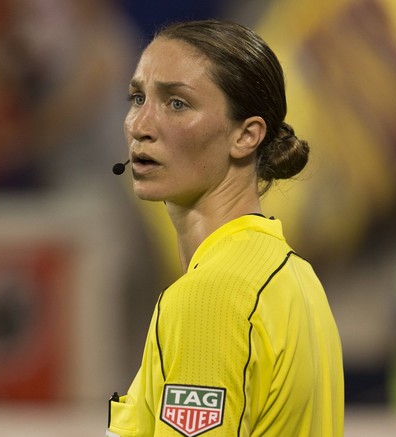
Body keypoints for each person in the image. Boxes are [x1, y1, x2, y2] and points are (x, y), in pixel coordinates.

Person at [107, 20, 344, 436]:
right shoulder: (296, 280)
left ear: (246, 135)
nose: (139, 125)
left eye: (176, 103)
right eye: (138, 97)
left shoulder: (209, 297)